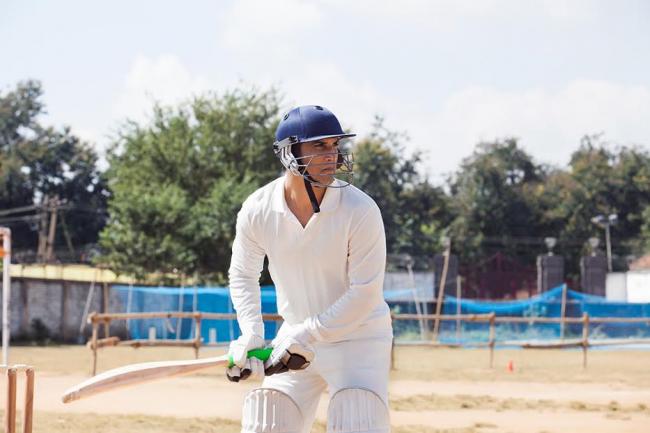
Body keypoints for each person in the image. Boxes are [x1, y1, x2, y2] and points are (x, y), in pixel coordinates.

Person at [227, 105, 392, 433]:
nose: (331, 155)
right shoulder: (257, 210)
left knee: (356, 418)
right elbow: (243, 274)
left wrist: (308, 334)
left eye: (334, 145)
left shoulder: (360, 210)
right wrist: (251, 334)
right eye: (319, 145)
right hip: (295, 338)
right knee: (266, 417)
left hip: (358, 339)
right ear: (289, 152)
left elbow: (364, 293)